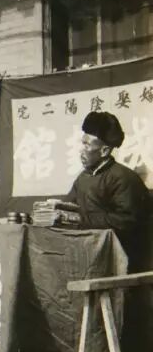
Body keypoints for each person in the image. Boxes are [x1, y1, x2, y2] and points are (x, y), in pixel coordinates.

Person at [63, 111, 150, 271]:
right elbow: (69, 207)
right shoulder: (83, 178)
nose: (81, 150)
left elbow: (126, 221)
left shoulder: (124, 178)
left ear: (104, 151)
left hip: (118, 260)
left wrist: (80, 219)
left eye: (87, 145)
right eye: (82, 143)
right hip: (87, 254)